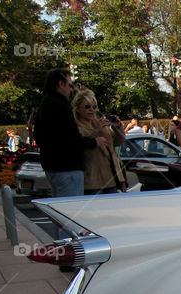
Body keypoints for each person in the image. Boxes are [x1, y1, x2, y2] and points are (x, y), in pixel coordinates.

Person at [33, 68, 107, 197]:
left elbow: (39, 137)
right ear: (61, 84)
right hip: (67, 168)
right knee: (70, 208)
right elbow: (71, 138)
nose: (71, 89)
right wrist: (94, 141)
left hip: (53, 167)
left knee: (61, 206)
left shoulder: (45, 105)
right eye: (69, 85)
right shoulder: (60, 106)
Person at [72, 88, 126, 194]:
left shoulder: (100, 123)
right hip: (92, 179)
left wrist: (117, 126)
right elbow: (81, 143)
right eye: (87, 107)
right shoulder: (76, 127)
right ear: (78, 109)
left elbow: (118, 142)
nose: (91, 110)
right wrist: (97, 131)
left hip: (111, 176)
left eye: (94, 107)